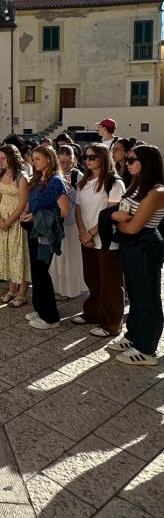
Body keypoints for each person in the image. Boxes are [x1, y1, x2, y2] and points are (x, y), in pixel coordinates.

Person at [110, 145, 164, 366]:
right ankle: (134, 335)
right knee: (134, 292)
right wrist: (116, 217)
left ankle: (147, 348)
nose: (127, 163)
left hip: (145, 244)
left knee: (148, 296)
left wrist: (118, 222)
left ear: (147, 162)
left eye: (132, 160)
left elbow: (133, 227)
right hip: (132, 245)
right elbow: (123, 215)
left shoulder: (156, 191)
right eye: (128, 159)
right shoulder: (137, 184)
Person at [72, 143, 125, 337]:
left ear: (103, 157)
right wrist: (82, 232)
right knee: (92, 278)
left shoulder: (114, 182)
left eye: (92, 157)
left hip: (107, 240)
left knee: (110, 283)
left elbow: (112, 213)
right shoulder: (84, 181)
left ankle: (112, 324)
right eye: (85, 157)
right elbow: (78, 209)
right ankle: (93, 313)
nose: (87, 160)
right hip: (87, 238)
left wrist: (90, 233)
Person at [20, 145, 70, 330]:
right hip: (34, 231)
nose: (34, 162)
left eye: (38, 159)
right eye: (33, 159)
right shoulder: (39, 179)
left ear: (49, 158)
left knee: (41, 272)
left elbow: (64, 211)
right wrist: (27, 213)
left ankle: (51, 317)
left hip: (47, 233)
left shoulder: (56, 181)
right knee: (36, 271)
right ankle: (40, 309)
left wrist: (36, 214)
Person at [0, 145, 31, 307]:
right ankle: (11, 290)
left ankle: (22, 294)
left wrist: (8, 222)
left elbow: (23, 204)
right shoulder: (0, 174)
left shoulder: (22, 177)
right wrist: (0, 219)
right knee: (7, 254)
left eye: (3, 158)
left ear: (12, 157)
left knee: (19, 255)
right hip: (3, 222)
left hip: (16, 222)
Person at [49, 145, 88, 301]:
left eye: (68, 162)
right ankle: (56, 287)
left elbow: (81, 200)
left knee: (69, 256)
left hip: (71, 223)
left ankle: (69, 289)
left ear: (74, 160)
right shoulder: (53, 174)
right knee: (57, 257)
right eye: (62, 162)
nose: (65, 165)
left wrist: (69, 188)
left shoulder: (78, 176)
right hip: (55, 222)